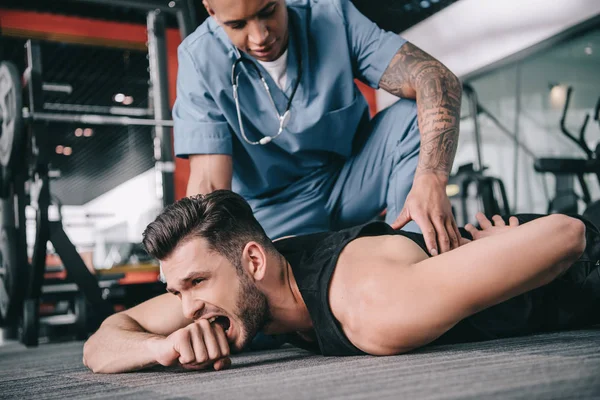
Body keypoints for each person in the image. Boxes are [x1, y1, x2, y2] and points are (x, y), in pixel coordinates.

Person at [83, 191, 600, 374]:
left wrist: (501, 246)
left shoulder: (369, 307)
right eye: (177, 291)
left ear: (254, 261)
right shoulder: (231, 290)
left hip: (581, 277)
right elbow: (100, 344)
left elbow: (568, 234)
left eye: (195, 283)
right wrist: (160, 347)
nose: (187, 306)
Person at [174, 0, 463, 257]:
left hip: (350, 182)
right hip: (274, 212)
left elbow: (435, 79)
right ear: (211, 11)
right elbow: (209, 184)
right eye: (237, 25)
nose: (260, 36)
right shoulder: (199, 60)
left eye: (268, 11)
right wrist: (196, 256)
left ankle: (412, 254)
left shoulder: (331, 16)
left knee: (414, 112)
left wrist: (431, 180)